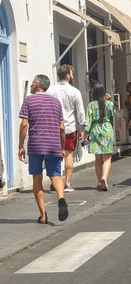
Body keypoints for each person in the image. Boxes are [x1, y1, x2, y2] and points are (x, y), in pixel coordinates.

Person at [18, 75, 69, 223]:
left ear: (35, 84)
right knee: (56, 176)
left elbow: (24, 124)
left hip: (36, 145)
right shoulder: (55, 102)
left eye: (32, 84)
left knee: (37, 177)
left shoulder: (29, 100)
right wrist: (62, 146)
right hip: (53, 144)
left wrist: (21, 146)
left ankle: (43, 215)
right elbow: (61, 128)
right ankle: (61, 198)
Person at [46, 65, 85, 193]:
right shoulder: (75, 91)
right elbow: (80, 112)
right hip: (69, 127)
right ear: (67, 75)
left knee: (53, 156)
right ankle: (67, 183)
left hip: (53, 127)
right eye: (72, 74)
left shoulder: (51, 91)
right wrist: (82, 127)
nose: (72, 76)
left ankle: (55, 181)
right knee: (68, 155)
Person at [85, 84, 116, 191]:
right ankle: (104, 178)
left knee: (98, 158)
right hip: (107, 129)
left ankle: (99, 181)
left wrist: (86, 134)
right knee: (107, 158)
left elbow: (88, 121)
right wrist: (109, 99)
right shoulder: (109, 104)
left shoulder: (91, 105)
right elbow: (113, 115)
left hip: (95, 130)